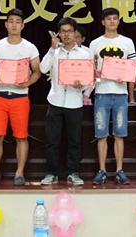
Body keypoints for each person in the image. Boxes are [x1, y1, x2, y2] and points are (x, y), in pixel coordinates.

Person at [0, 9, 41, 186]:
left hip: (20, 96)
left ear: (23, 25)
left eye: (18, 21)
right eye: (11, 21)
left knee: (21, 136)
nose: (14, 25)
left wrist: (27, 83)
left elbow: (37, 71)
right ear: (6, 24)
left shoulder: (30, 47)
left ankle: (19, 173)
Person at [39, 17, 93, 186]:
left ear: (75, 33)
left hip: (74, 102)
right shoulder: (55, 52)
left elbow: (89, 79)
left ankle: (73, 173)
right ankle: (51, 173)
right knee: (52, 141)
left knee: (74, 141)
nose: (66, 35)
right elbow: (43, 68)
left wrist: (81, 86)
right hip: (55, 101)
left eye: (69, 31)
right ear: (58, 34)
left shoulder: (84, 54)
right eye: (63, 31)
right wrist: (51, 48)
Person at [88, 7, 136, 185]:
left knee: (119, 134)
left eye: (115, 19)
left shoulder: (127, 42)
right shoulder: (95, 43)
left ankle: (119, 171)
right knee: (101, 134)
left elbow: (133, 68)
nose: (112, 22)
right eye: (108, 19)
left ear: (119, 21)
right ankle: (102, 170)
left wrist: (126, 78)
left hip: (121, 94)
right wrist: (96, 73)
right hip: (101, 93)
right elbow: (90, 69)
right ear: (103, 22)